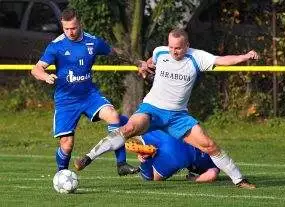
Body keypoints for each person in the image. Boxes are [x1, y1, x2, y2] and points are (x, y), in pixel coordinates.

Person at [74, 28, 259, 188]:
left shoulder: (198, 57)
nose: (173, 51)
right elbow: (151, 61)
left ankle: (239, 180)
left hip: (178, 116)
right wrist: (145, 65)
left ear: (187, 45)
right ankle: (87, 158)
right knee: (128, 128)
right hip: (152, 109)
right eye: (170, 47)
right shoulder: (160, 52)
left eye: (178, 48)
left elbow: (222, 60)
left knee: (209, 145)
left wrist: (245, 56)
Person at [31, 8, 138, 176]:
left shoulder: (92, 42)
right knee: (66, 144)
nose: (70, 32)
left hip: (89, 96)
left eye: (73, 28)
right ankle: (62, 174)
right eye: (66, 29)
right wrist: (45, 76)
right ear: (62, 26)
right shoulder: (56, 46)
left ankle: (121, 164)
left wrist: (137, 62)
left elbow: (114, 53)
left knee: (113, 116)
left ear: (79, 23)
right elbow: (36, 69)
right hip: (66, 100)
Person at [134, 129, 220, 182]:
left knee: (141, 133)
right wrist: (194, 179)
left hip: (171, 132)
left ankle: (147, 152)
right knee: (151, 177)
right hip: (180, 155)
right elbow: (212, 174)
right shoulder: (214, 163)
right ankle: (145, 160)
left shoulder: (208, 142)